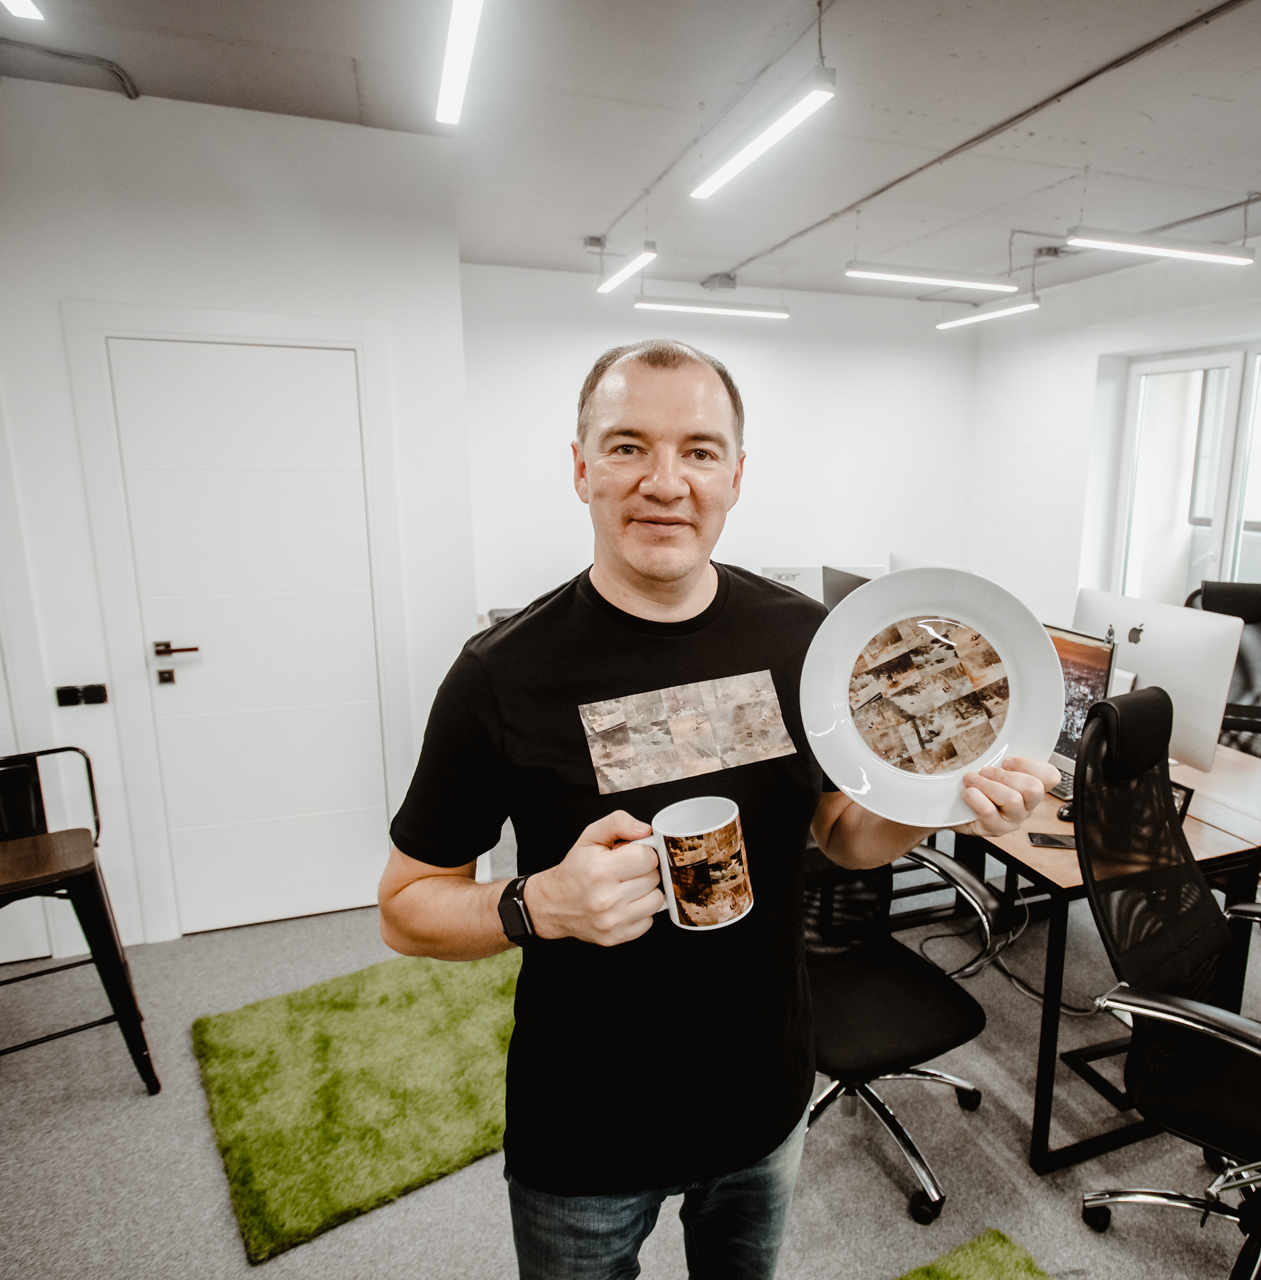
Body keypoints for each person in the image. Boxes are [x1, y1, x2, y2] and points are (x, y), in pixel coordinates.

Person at [377, 338, 1058, 1280]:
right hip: (585, 1128)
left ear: (736, 476)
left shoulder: (805, 642)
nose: (666, 482)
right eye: (627, 446)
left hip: (763, 1101)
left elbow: (844, 836)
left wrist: (945, 804)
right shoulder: (500, 675)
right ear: (580, 468)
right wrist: (540, 905)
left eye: (699, 450)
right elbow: (405, 907)